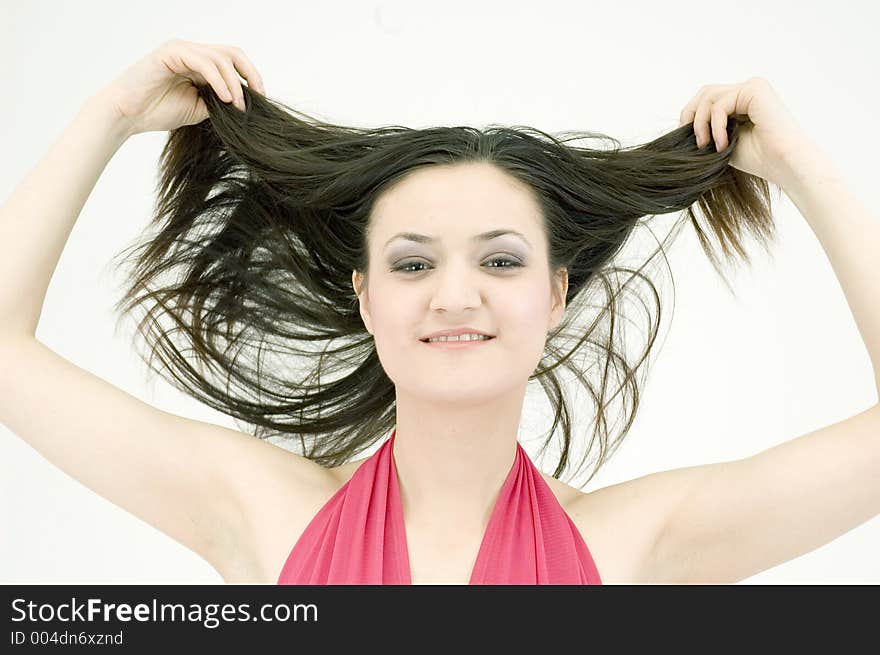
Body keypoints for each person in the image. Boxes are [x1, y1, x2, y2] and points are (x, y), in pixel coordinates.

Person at [1, 39, 878, 585]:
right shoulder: (268, 514)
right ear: (366, 296)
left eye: (500, 259)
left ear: (555, 292)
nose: (456, 294)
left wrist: (801, 166)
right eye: (413, 261)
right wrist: (108, 114)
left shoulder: (633, 544)